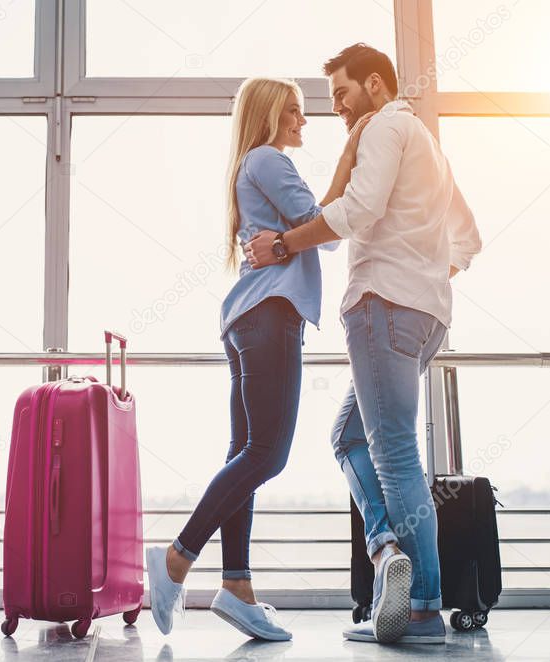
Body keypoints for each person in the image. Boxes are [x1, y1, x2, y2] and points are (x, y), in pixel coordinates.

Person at [245, 43, 482, 645]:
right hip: (427, 317)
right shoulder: (429, 145)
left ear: (375, 85)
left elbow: (358, 208)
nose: (339, 112)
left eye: (343, 96)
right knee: (349, 437)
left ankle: (423, 607)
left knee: (395, 454)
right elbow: (468, 240)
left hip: (382, 308)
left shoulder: (382, 127)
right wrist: (424, 277)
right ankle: (386, 553)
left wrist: (282, 245)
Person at [144, 77, 372, 640]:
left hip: (247, 318)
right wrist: (348, 157)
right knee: (267, 456)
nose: (303, 119)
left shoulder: (249, 164)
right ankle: (177, 558)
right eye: (293, 110)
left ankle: (238, 586)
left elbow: (306, 230)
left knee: (245, 452)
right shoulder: (269, 159)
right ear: (270, 114)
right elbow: (328, 230)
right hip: (269, 315)